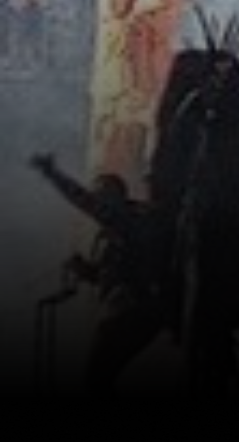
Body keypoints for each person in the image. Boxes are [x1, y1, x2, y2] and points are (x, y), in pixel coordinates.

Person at [29, 152, 176, 392]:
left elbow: (84, 200)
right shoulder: (122, 228)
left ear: (115, 197)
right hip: (135, 312)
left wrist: (52, 173)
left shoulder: (131, 219)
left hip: (134, 311)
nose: (96, 201)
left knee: (97, 378)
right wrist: (86, 270)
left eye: (101, 195)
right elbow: (111, 274)